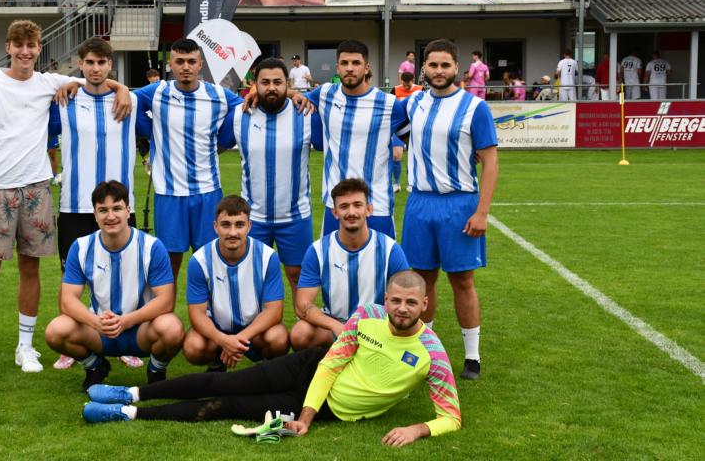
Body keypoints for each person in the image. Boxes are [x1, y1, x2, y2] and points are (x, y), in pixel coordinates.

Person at [82, 271, 462, 450]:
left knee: (226, 406)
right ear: (386, 298)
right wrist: (306, 417)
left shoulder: (432, 354)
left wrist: (417, 429)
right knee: (225, 381)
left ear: (425, 304)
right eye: (395, 300)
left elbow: (451, 417)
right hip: (310, 368)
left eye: (411, 302)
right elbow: (330, 364)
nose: (401, 308)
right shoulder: (367, 315)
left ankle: (127, 414)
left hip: (329, 407)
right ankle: (129, 393)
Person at [0, 19, 131, 378]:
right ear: (8, 47)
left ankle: (25, 346)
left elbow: (94, 79)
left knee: (30, 268)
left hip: (36, 188)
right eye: (18, 45)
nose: (25, 51)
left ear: (38, 48)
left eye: (31, 45)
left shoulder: (49, 83)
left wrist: (122, 87)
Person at [401, 39, 498, 381]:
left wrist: (482, 212)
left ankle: (472, 356)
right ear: (423, 68)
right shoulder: (412, 103)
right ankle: (425, 350)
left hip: (459, 203)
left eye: (445, 65)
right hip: (420, 202)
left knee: (462, 281)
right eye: (433, 65)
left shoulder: (475, 108)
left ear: (457, 68)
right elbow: (381, 117)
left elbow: (490, 163)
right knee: (421, 280)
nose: (439, 71)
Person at [46, 37, 139, 369]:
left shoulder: (132, 100)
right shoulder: (64, 99)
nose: (96, 68)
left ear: (110, 65)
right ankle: (72, 340)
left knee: (123, 277)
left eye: (102, 63)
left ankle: (123, 340)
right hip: (74, 205)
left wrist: (122, 88)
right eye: (90, 62)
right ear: (80, 64)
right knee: (71, 277)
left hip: (119, 208)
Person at [44, 180, 184, 389]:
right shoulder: (81, 247)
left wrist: (126, 321)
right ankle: (95, 367)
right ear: (94, 214)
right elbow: (67, 300)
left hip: (140, 330)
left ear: (128, 211)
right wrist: (95, 322)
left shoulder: (151, 247)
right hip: (100, 331)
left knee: (172, 328)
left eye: (117, 208)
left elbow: (166, 300)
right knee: (55, 331)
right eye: (103, 210)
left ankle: (156, 370)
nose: (110, 216)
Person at [130, 38, 243, 281]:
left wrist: (223, 141)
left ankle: (209, 307)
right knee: (169, 262)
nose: (186, 67)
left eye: (191, 61)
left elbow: (245, 106)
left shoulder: (217, 95)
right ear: (171, 64)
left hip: (207, 191)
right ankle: (165, 307)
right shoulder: (158, 91)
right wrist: (148, 131)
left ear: (200, 64)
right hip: (169, 193)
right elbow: (128, 98)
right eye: (179, 61)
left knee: (210, 261)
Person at [217, 58, 317, 298]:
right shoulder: (239, 115)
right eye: (265, 82)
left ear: (287, 84)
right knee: (251, 278)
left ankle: (302, 324)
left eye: (277, 82)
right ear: (255, 84)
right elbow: (212, 147)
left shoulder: (305, 114)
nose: (271, 87)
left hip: (295, 216)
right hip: (253, 218)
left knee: (297, 275)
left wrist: (295, 95)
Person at [298, 40, 407, 238]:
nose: (350, 68)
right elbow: (293, 96)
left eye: (356, 63)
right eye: (344, 63)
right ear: (337, 67)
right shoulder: (324, 94)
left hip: (377, 206)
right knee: (332, 258)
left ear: (366, 67)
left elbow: (415, 138)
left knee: (379, 259)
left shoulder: (390, 104)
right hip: (336, 206)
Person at [291, 178, 409, 350]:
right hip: (335, 326)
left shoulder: (391, 250)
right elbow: (302, 305)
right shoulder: (318, 250)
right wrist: (336, 326)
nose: (351, 212)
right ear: (335, 212)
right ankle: (326, 363)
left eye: (357, 205)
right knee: (300, 333)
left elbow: (406, 299)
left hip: (377, 328)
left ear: (368, 210)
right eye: (344, 206)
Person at [184, 195, 288, 371]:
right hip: (217, 331)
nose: (232, 232)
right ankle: (216, 362)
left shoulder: (267, 257)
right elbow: (197, 315)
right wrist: (223, 340)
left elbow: (274, 311)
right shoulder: (199, 260)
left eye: (239, 225)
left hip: (255, 331)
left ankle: (265, 371)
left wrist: (239, 339)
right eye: (226, 225)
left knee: (278, 338)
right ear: (215, 227)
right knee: (193, 346)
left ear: (249, 226)